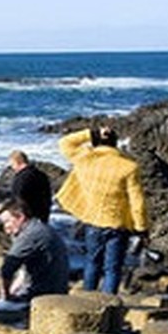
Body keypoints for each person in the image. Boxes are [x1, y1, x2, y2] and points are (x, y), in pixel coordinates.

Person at [55, 125, 148, 294]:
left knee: (92, 262)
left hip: (94, 221)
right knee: (112, 268)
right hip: (118, 224)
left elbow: (65, 143)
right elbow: (137, 201)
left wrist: (91, 133)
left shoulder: (85, 159)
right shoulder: (129, 167)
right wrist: (141, 227)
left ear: (96, 142)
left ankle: (88, 300)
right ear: (115, 144)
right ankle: (108, 305)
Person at [0, 200, 70, 315]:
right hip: (58, 289)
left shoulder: (29, 236)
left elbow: (7, 269)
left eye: (7, 221)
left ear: (20, 217)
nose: (5, 227)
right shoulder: (41, 228)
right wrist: (14, 288)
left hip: (42, 295)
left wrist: (7, 295)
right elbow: (23, 271)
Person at [7, 149, 52, 222]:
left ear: (17, 162)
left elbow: (18, 197)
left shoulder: (21, 177)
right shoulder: (41, 174)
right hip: (43, 214)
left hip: (29, 217)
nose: (12, 168)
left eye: (12, 164)